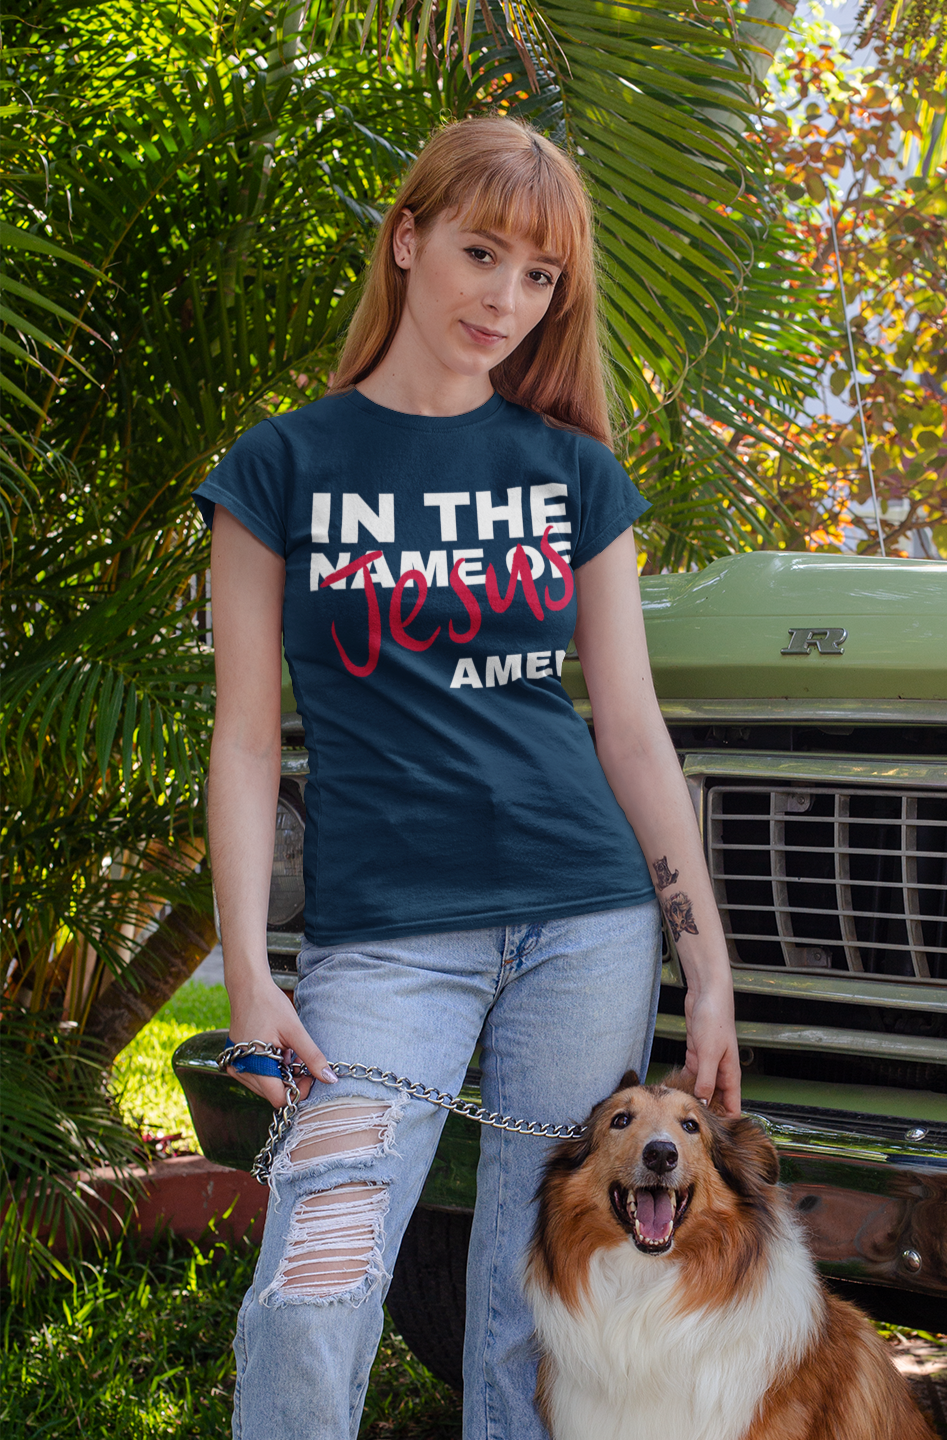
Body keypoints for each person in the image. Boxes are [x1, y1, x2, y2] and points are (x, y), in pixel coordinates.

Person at [198, 114, 742, 1440]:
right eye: (481, 252)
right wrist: (251, 976)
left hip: (586, 921)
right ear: (407, 240)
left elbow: (626, 727)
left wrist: (707, 959)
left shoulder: (572, 475)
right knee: (314, 1288)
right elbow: (247, 738)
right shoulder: (282, 468)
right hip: (386, 946)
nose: (506, 296)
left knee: (530, 1303)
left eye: (540, 275)